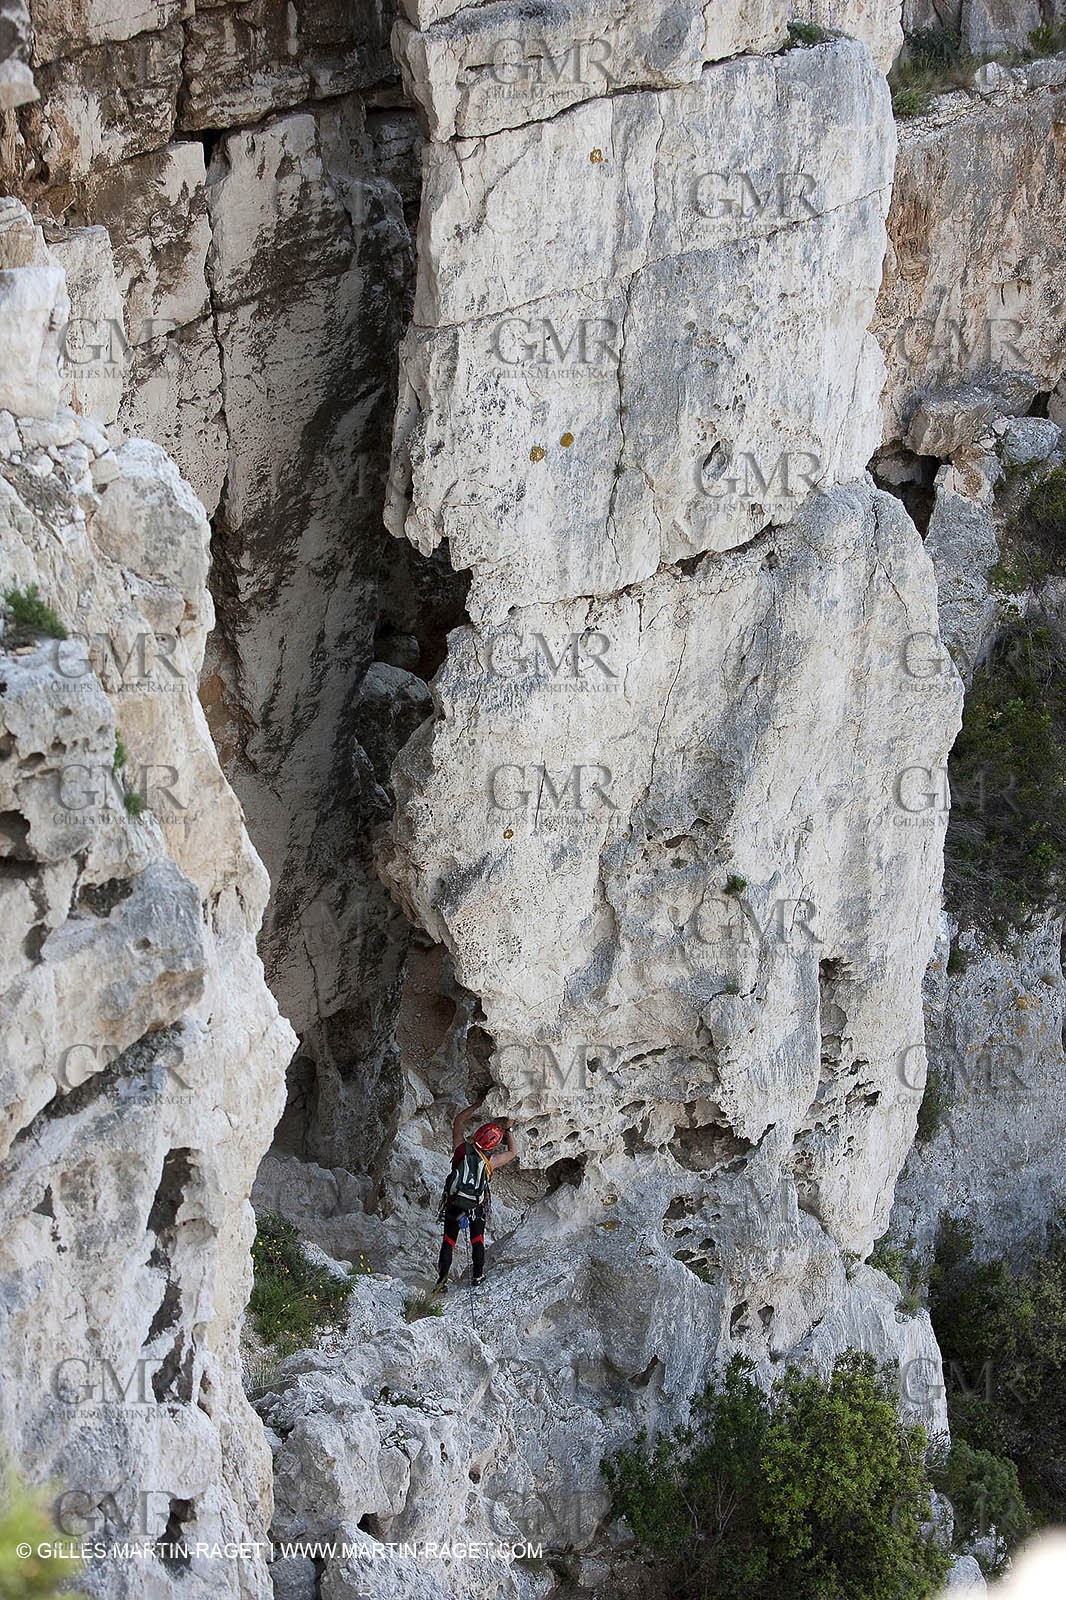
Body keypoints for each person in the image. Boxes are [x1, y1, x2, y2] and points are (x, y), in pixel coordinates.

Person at [433, 1097, 517, 1294]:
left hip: (454, 1204)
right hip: (475, 1208)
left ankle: (441, 1283)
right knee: (477, 1240)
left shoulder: (461, 1149)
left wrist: (478, 1104)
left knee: (449, 1241)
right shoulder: (491, 1161)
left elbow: (459, 1122)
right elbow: (513, 1152)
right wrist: (509, 1128)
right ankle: (478, 1276)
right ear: (494, 1145)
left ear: (477, 1135)